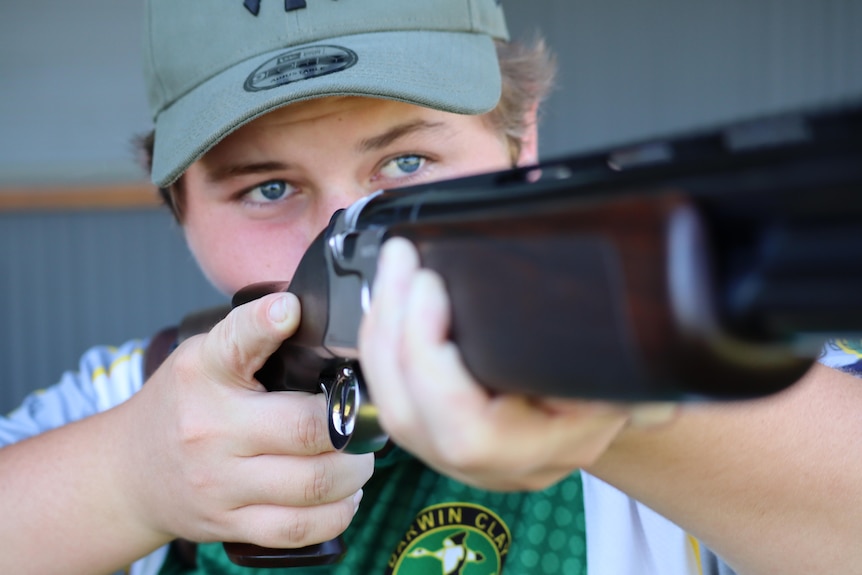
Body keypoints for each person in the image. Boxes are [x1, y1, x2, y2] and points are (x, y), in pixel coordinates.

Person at [2, 1, 861, 574]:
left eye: (407, 162)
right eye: (268, 187)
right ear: (177, 207)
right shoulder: (135, 392)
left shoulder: (700, 342)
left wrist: (613, 392)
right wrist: (129, 479)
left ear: (522, 141)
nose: (346, 223)